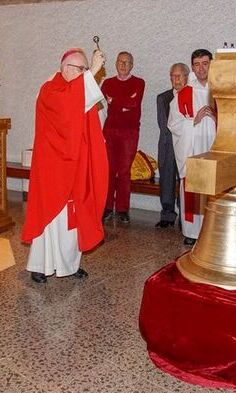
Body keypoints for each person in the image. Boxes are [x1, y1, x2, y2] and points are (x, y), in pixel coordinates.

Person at [21, 48, 108, 284]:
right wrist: (95, 72)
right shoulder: (50, 89)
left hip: (75, 163)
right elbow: (68, 106)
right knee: (51, 216)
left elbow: (87, 111)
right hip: (54, 168)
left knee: (74, 217)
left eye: (85, 70)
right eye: (82, 69)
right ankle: (40, 265)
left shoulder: (72, 89)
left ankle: (70, 265)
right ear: (66, 68)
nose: (84, 73)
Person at [168, 50, 216, 246]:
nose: (201, 68)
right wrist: (194, 121)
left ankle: (213, 230)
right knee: (192, 187)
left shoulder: (221, 89)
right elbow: (174, 124)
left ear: (211, 64)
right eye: (197, 64)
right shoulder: (184, 93)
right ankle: (192, 232)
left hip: (215, 147)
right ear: (192, 67)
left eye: (205, 63)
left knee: (213, 188)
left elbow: (234, 118)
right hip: (192, 148)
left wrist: (216, 118)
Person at [101, 51, 145, 223]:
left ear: (132, 65)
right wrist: (123, 103)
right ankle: (106, 207)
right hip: (110, 131)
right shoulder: (108, 83)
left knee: (124, 171)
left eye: (127, 62)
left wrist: (114, 102)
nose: (123, 65)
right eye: (120, 62)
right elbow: (121, 103)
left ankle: (122, 209)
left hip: (129, 132)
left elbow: (133, 103)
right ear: (116, 63)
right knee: (109, 170)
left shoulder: (139, 83)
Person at [155, 63, 189, 228]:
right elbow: (164, 124)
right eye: (173, 76)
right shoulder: (163, 98)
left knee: (186, 182)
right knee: (166, 180)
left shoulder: (193, 96)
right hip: (168, 145)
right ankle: (167, 215)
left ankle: (185, 218)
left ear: (186, 77)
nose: (176, 79)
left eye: (179, 76)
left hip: (186, 146)